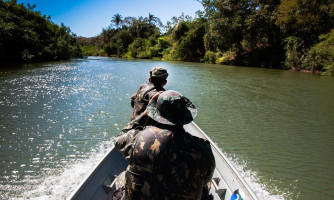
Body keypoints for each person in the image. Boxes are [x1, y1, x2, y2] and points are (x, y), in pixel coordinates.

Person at [115, 90, 216, 200]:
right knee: (205, 186)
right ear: (185, 116)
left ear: (155, 113)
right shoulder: (202, 148)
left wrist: (144, 114)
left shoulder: (138, 139)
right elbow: (206, 178)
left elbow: (119, 139)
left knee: (121, 177)